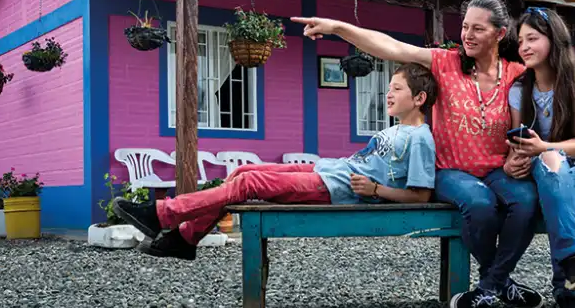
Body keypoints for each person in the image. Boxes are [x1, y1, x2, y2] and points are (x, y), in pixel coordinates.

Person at [293, 0, 575, 308]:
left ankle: (493, 285)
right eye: (464, 27)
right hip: (452, 170)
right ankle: (501, 283)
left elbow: (556, 82)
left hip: (498, 168)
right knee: (479, 205)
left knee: (526, 199)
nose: (467, 35)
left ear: (499, 34)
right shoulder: (442, 62)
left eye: (478, 29)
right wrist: (338, 27)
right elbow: (389, 47)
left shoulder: (516, 73)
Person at [111, 63, 439, 260]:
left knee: (250, 184)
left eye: (397, 88)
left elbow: (421, 195)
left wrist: (376, 189)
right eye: (389, 88)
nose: (388, 94)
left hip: (337, 187)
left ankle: (164, 214)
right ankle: (186, 239)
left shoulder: (421, 138)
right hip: (329, 169)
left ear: (419, 98)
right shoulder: (395, 129)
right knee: (242, 171)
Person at [506, 6, 575, 308]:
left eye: (532, 38)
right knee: (551, 176)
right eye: (521, 39)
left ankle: (569, 287)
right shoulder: (518, 90)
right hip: (546, 174)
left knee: (552, 172)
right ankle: (573, 272)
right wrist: (516, 160)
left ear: (554, 39)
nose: (524, 46)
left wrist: (542, 148)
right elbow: (517, 145)